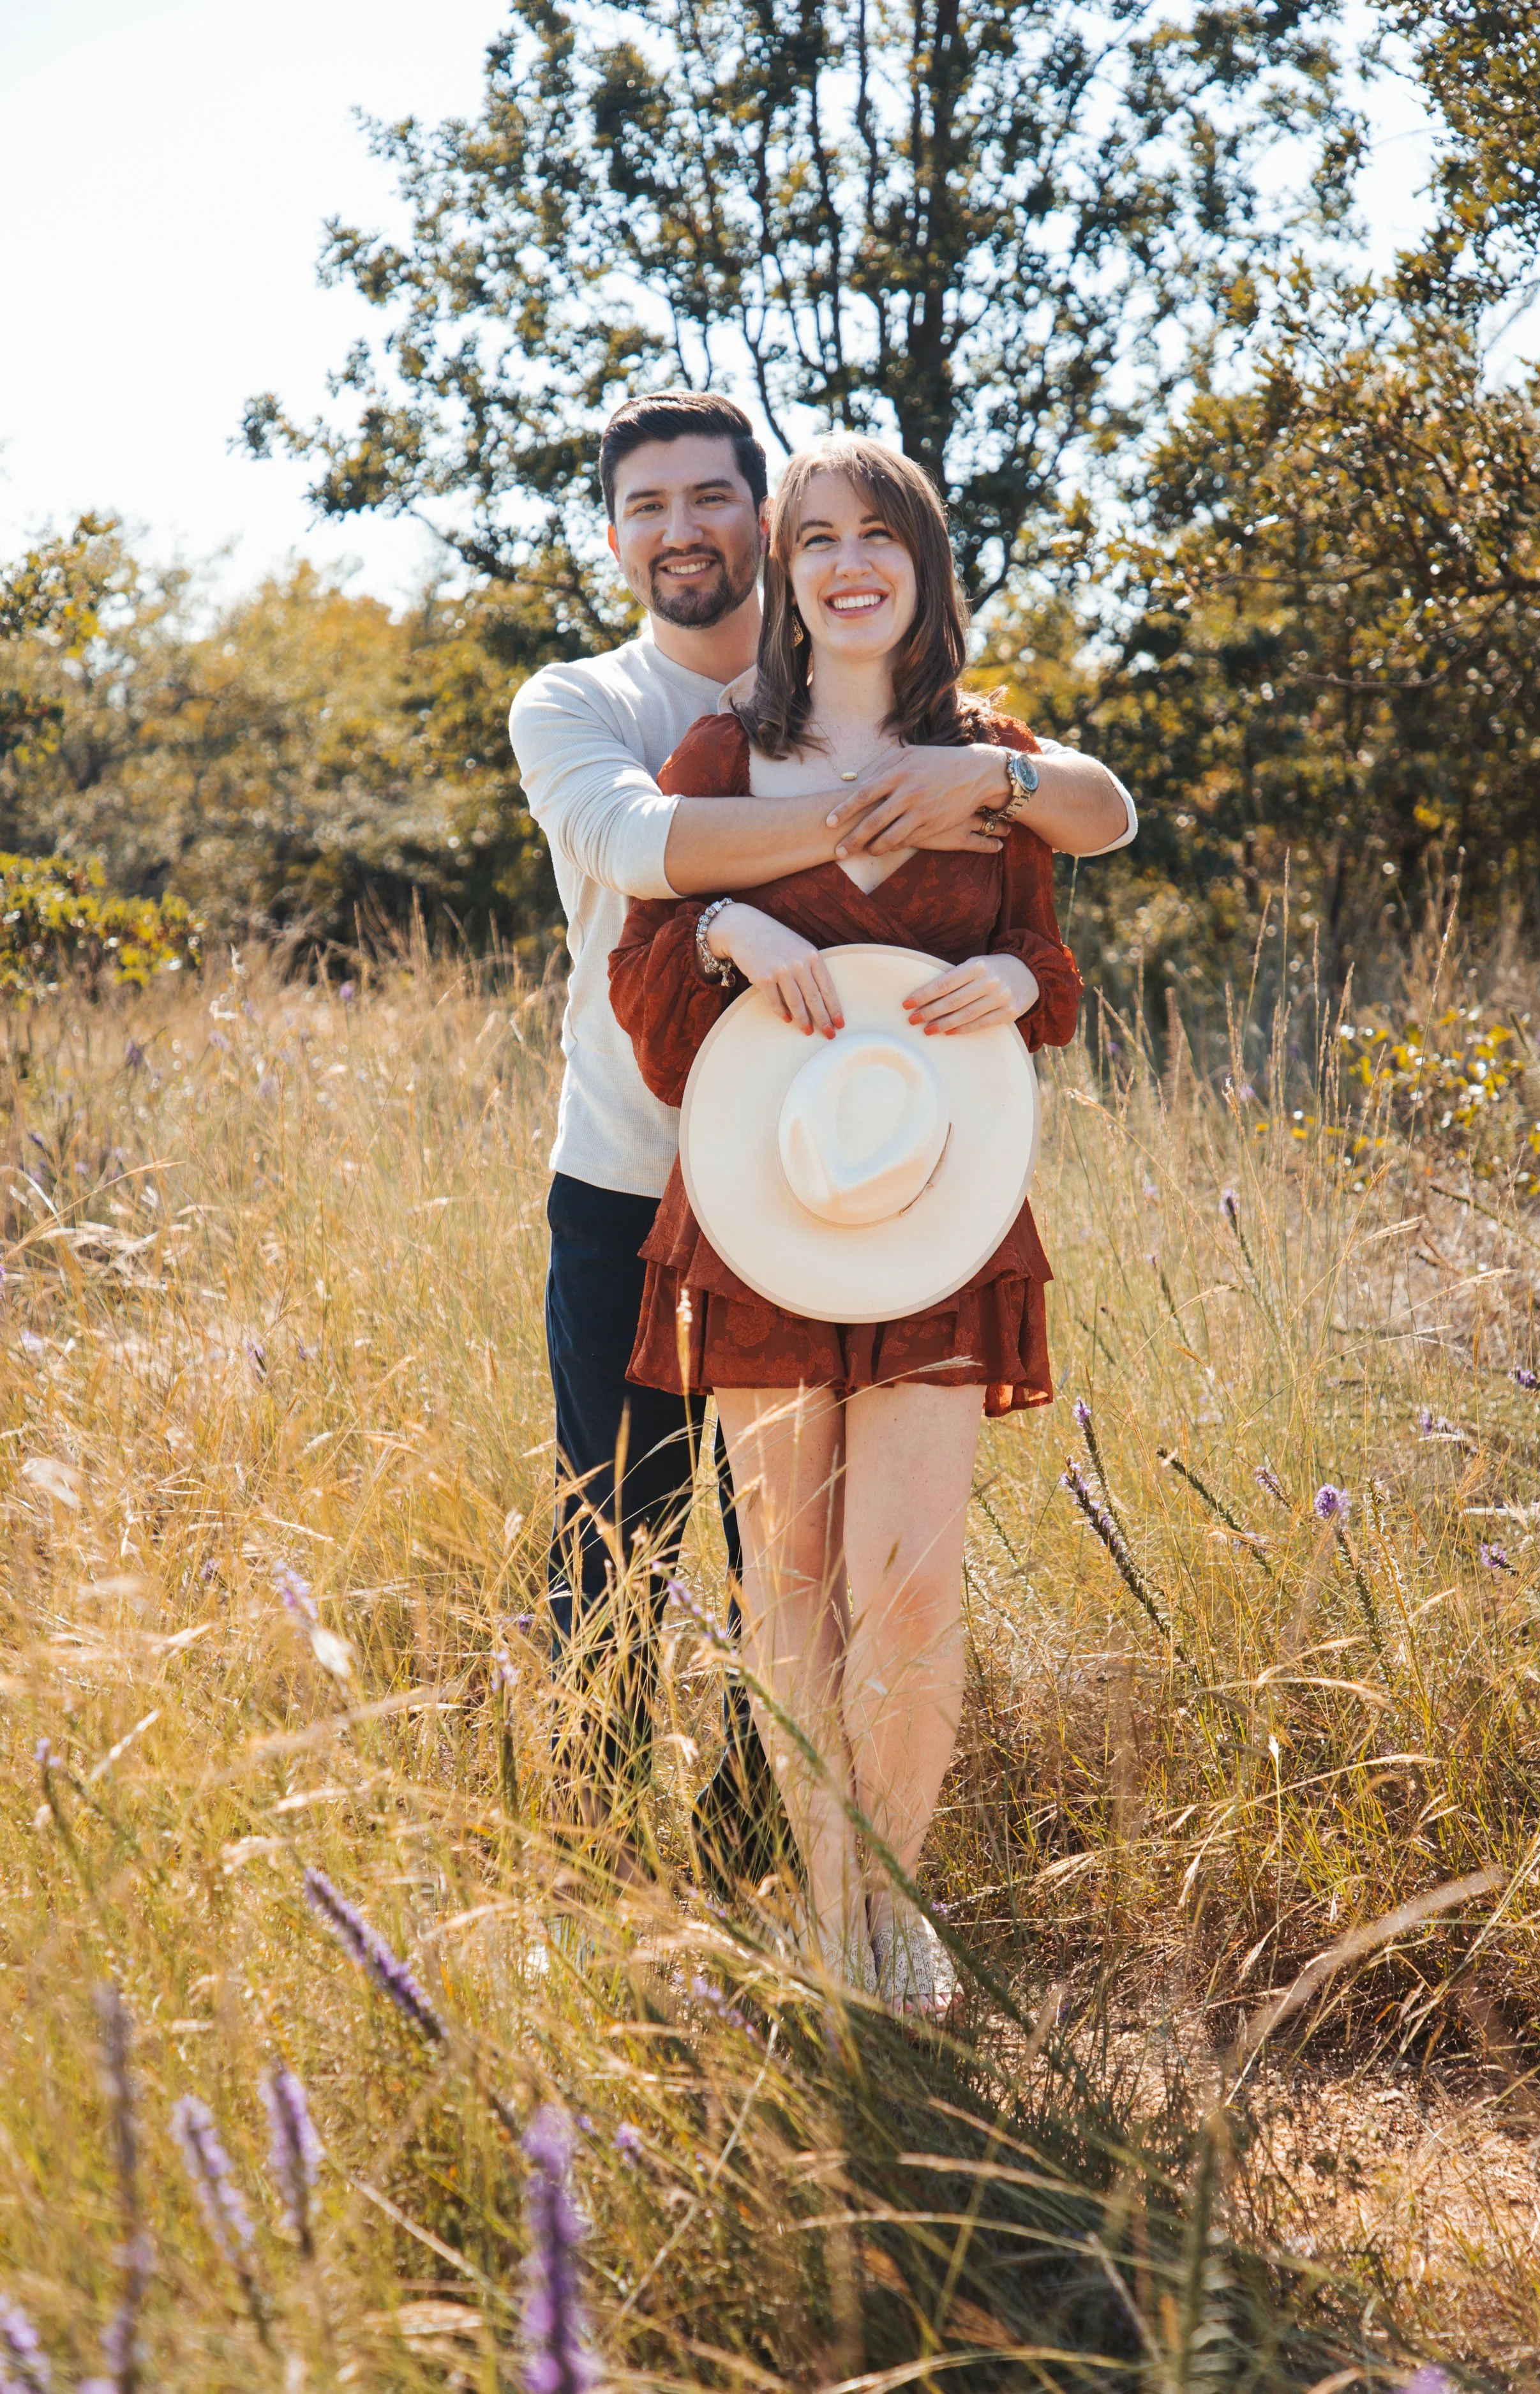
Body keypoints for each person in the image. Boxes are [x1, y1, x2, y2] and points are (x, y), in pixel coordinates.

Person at [507, 392, 1135, 1874]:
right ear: (616, 535)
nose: (683, 530)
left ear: (755, 524)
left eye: (711, 500)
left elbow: (1089, 845)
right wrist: (860, 823)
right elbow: (639, 859)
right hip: (641, 1189)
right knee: (622, 1539)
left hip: (898, 1201)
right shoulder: (600, 711)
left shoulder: (968, 745)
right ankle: (594, 1881)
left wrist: (987, 778)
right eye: (646, 507)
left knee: (842, 1577)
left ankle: (794, 1882)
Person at [609, 435, 1086, 2005]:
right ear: (787, 573)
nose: (845, 562)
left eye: (877, 535)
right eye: (815, 539)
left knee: (913, 1583)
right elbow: (647, 980)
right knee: (789, 1583)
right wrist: (731, 926)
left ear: (921, 563)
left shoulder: (985, 755)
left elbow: (1047, 956)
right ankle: (825, 1920)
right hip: (763, 1214)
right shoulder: (717, 756)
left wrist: (1018, 980)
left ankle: (893, 1903)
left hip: (934, 1220)